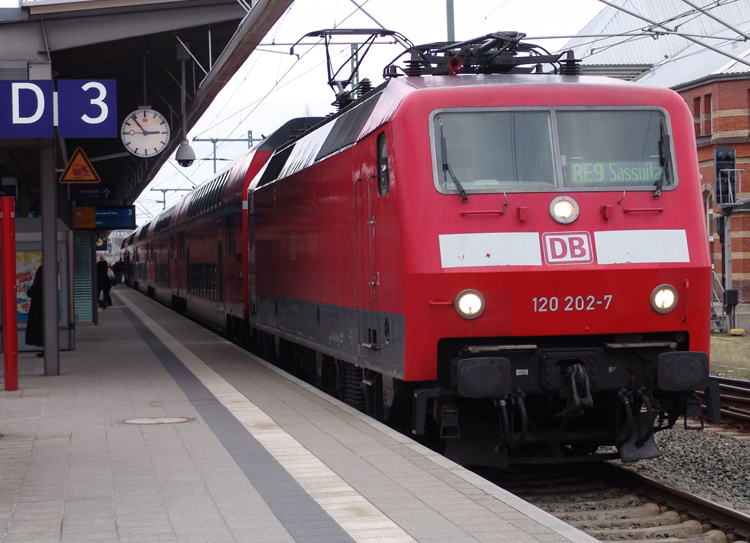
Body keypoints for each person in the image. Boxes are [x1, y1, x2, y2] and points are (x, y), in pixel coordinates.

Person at [25, 265, 44, 357]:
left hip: (39, 305)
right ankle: (47, 348)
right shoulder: (47, 272)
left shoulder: (42, 273)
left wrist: (29, 292)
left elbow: (36, 288)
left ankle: (47, 349)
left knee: (41, 327)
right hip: (42, 305)